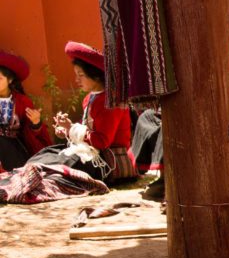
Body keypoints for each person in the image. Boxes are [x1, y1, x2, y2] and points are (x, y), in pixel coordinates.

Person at [0, 41, 136, 203]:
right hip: (89, 152)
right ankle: (18, 180)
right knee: (44, 156)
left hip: (108, 161)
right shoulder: (90, 98)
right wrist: (66, 129)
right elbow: (86, 128)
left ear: (96, 76)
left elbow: (101, 141)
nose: (77, 80)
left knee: (53, 166)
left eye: (81, 75)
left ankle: (24, 185)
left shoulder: (110, 102)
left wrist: (69, 128)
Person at [133, 27, 229, 200]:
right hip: (211, 110)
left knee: (173, 120)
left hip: (227, 116)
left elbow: (209, 92)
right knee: (149, 116)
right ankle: (165, 177)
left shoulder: (226, 52)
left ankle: (173, 181)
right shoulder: (221, 48)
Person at [0, 51, 51, 172]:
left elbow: (29, 132)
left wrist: (36, 122)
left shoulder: (22, 102)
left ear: (10, 80)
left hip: (14, 151)